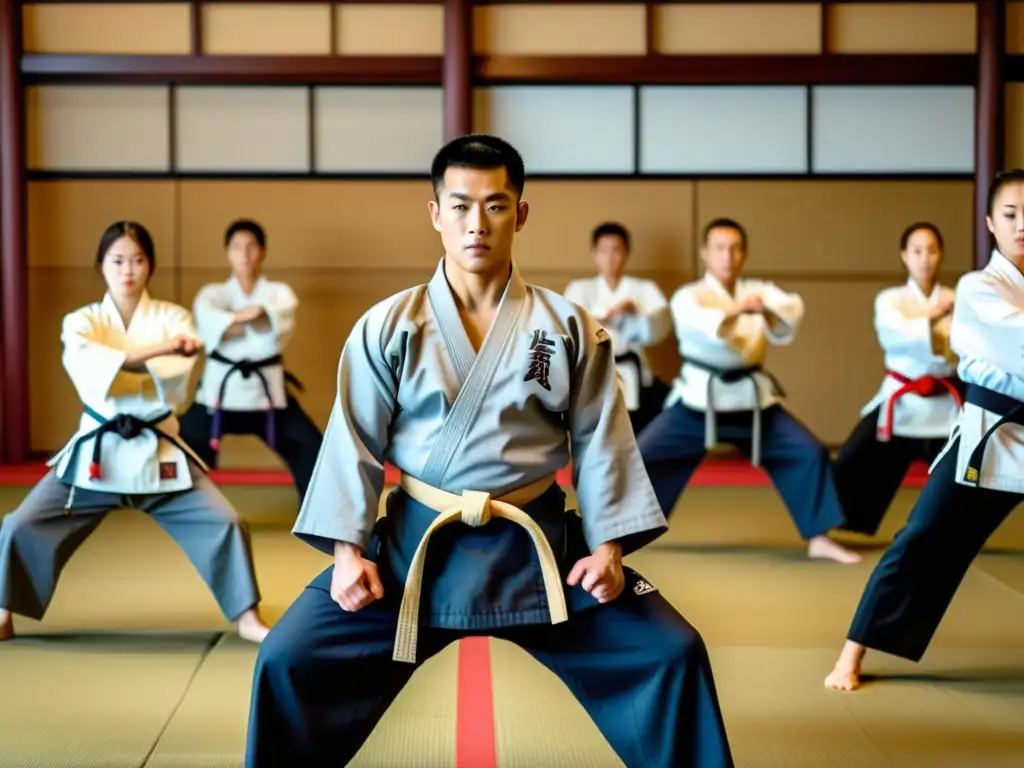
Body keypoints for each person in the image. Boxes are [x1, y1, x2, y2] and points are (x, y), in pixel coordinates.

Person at [244, 135, 735, 768]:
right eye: (461, 205)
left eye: (496, 206)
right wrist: (346, 556)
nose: (477, 223)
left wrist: (610, 551)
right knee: (288, 659)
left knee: (672, 653)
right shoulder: (388, 326)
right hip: (412, 555)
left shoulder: (567, 329)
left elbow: (603, 441)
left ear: (521, 213)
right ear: (434, 213)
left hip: (544, 551)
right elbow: (353, 443)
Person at [0, 221, 269, 643]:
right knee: (20, 525)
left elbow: (168, 381)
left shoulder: (173, 317)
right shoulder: (81, 322)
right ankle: (3, 614)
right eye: (118, 260)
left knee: (226, 522)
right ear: (102, 265)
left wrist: (139, 360)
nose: (128, 269)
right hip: (96, 456)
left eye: (138, 260)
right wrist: (160, 350)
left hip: (159, 452)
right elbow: (108, 369)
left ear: (150, 266)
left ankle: (248, 618)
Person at [825, 169, 1024, 692]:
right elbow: (1012, 344)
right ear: (991, 224)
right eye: (1011, 215)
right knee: (924, 536)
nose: (1022, 224)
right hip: (991, 434)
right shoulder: (978, 287)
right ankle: (853, 650)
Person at [636, 218, 861, 565]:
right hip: (699, 400)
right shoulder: (689, 296)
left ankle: (819, 538)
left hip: (753, 401)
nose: (728, 256)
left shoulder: (758, 290)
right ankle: (626, 534)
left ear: (744, 253)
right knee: (644, 455)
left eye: (735, 248)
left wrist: (762, 306)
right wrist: (741, 308)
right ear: (705, 254)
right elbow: (707, 326)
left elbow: (791, 310)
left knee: (808, 452)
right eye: (720, 248)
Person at [832, 223, 962, 537]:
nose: (925, 258)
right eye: (917, 251)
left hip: (948, 403)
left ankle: (955, 533)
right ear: (904, 256)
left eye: (932, 250)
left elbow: (963, 344)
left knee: (970, 468)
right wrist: (932, 317)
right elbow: (895, 335)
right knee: (852, 457)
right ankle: (828, 526)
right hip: (902, 400)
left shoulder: (957, 298)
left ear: (941, 254)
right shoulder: (890, 299)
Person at [178, 219, 322, 503]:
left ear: (263, 252)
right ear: (227, 253)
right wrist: (254, 317)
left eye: (251, 247)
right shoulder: (211, 293)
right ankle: (192, 511)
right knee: (182, 445)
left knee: (312, 446)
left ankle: (317, 518)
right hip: (218, 395)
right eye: (236, 247)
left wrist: (232, 319)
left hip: (267, 394)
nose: (244, 254)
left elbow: (268, 323)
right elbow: (213, 325)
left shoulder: (279, 292)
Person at [563, 222, 673, 435]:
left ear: (626, 252)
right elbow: (570, 327)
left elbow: (659, 328)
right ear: (595, 254)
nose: (611, 257)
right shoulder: (579, 289)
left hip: (637, 372)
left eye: (617, 249)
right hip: (593, 374)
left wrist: (636, 313)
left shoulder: (644, 289)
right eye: (604, 250)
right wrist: (610, 314)